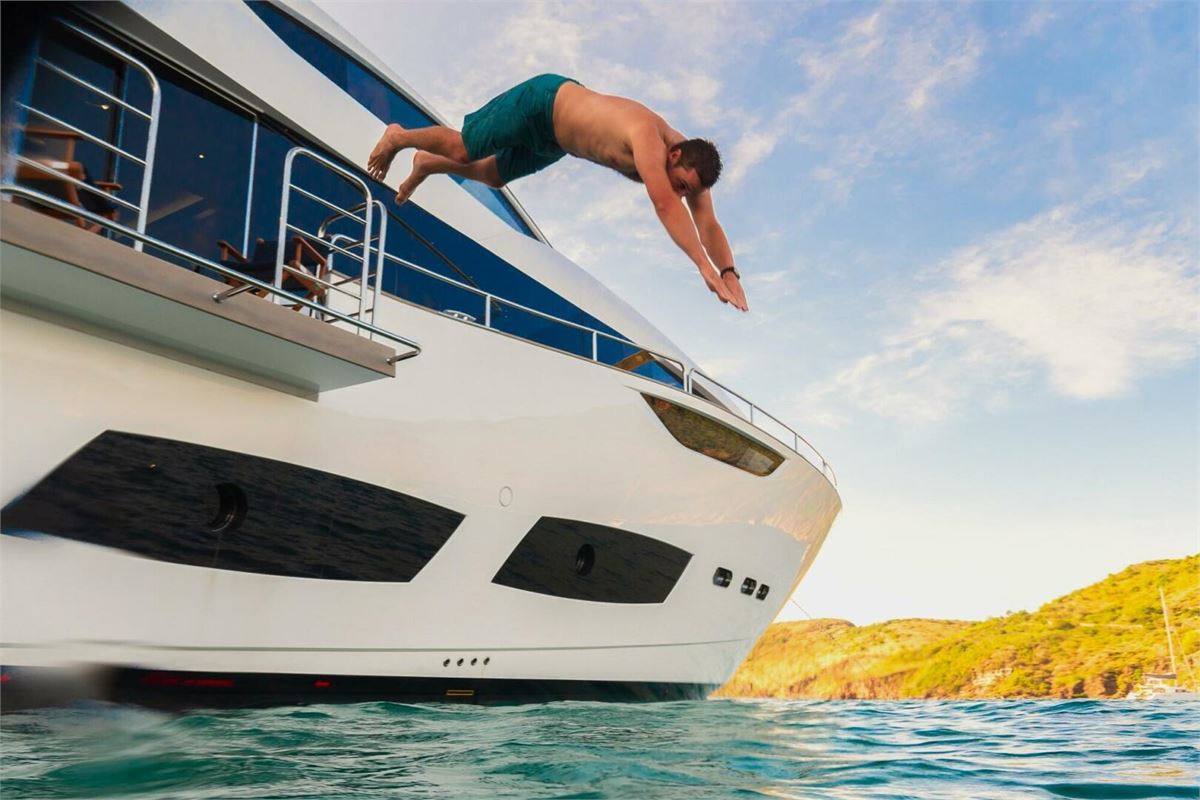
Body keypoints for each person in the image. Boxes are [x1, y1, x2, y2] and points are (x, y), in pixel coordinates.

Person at [367, 74, 748, 311]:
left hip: (556, 141)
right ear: (674, 154)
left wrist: (729, 273)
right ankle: (399, 136)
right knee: (465, 148)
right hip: (543, 103)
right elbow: (664, 203)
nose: (680, 195)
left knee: (493, 175)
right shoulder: (649, 138)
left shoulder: (693, 166)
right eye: (681, 185)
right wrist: (704, 267)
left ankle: (428, 163)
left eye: (687, 191)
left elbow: (709, 225)